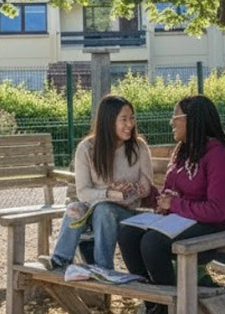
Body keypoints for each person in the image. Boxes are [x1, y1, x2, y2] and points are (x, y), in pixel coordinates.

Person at [118, 94, 225, 314]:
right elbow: (170, 194)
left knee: (152, 243)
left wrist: (175, 205)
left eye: (175, 116)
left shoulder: (218, 154)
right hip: (179, 221)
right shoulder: (182, 151)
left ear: (191, 120)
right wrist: (150, 193)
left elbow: (217, 210)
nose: (171, 122)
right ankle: (154, 308)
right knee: (127, 233)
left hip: (208, 226)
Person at [44, 94, 154, 270]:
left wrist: (134, 190)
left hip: (127, 213)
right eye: (123, 119)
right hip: (93, 208)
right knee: (75, 208)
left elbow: (147, 186)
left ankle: (103, 268)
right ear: (109, 121)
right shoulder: (87, 148)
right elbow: (83, 192)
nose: (130, 124)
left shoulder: (138, 147)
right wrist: (108, 193)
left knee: (105, 210)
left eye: (132, 118)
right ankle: (60, 260)